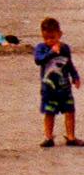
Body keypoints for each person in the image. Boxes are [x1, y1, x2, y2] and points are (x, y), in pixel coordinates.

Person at [34, 17, 80, 147]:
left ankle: (71, 137)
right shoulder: (41, 48)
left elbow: (69, 63)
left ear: (59, 34)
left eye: (52, 38)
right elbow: (38, 60)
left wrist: (75, 76)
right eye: (46, 38)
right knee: (49, 112)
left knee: (70, 110)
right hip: (49, 88)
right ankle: (49, 137)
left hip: (64, 87)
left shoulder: (65, 48)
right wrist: (50, 52)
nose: (49, 41)